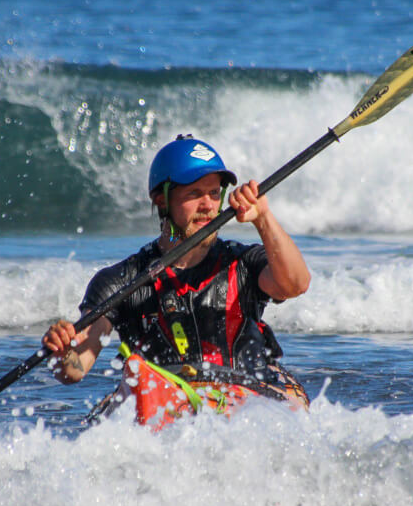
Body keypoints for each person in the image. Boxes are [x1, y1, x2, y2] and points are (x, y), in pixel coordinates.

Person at [42, 134, 312, 419]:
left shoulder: (243, 262)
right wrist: (62, 353)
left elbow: (295, 284)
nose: (208, 205)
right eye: (194, 194)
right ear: (162, 200)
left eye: (214, 193)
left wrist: (263, 218)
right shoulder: (121, 280)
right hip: (165, 396)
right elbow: (75, 368)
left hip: (248, 393)